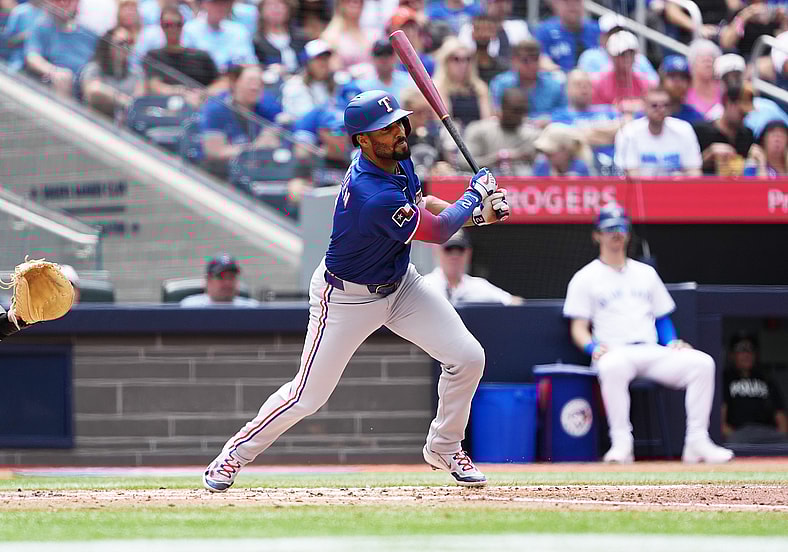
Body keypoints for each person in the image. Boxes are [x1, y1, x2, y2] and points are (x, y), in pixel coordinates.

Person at [203, 89, 510, 492]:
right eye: (385, 129)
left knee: (468, 358)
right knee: (308, 395)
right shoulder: (370, 192)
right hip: (346, 297)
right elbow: (434, 231)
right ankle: (233, 456)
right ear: (363, 141)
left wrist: (478, 215)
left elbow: (426, 206)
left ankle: (444, 446)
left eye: (398, 122)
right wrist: (474, 195)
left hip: (401, 286)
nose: (399, 131)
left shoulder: (397, 163)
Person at [563, 203, 734, 464]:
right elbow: (578, 328)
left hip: (650, 349)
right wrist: (592, 348)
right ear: (597, 234)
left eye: (620, 227)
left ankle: (697, 442)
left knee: (702, 363)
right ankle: (622, 443)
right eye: (609, 228)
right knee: (610, 366)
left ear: (628, 233)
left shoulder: (646, 273)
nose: (616, 234)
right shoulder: (585, 277)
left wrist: (672, 341)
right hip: (614, 350)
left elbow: (662, 318)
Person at [200, 64, 283, 177]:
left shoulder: (268, 108)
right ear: (234, 82)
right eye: (250, 81)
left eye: (260, 83)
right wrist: (255, 148)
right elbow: (214, 152)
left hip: (259, 171)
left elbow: (275, 143)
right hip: (222, 174)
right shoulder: (216, 109)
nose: (255, 87)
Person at [614, 86, 703, 177]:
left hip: (676, 187)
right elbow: (631, 175)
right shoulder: (628, 133)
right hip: (642, 188)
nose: (660, 109)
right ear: (644, 106)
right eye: (654, 105)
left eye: (665, 105)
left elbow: (694, 171)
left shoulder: (684, 130)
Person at [142, 6, 219, 107]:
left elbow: (222, 82)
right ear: (161, 26)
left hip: (200, 105)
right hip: (166, 107)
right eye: (168, 25)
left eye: (178, 24)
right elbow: (154, 85)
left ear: (183, 26)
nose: (173, 29)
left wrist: (203, 93)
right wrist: (179, 92)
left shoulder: (201, 56)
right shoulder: (154, 56)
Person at [423, 230, 523, 306]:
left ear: (468, 253)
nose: (454, 256)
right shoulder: (425, 285)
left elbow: (515, 302)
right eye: (448, 249)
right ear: (436, 251)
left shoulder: (479, 286)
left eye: (459, 250)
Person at [722, 331, 788, 444]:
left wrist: (782, 436)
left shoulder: (767, 379)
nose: (747, 354)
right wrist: (732, 435)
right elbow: (721, 420)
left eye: (751, 349)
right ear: (732, 355)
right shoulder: (726, 379)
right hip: (740, 433)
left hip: (767, 432)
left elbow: (780, 416)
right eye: (741, 350)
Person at [24, 0, 99, 98]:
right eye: (59, 1)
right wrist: (54, 71)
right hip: (54, 86)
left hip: (84, 86)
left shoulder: (89, 35)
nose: (63, 4)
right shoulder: (42, 26)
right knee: (64, 79)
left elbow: (100, 64)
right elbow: (32, 57)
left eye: (69, 1)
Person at [463, 87, 540, 176]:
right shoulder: (479, 130)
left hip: (523, 186)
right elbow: (463, 163)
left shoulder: (532, 135)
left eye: (524, 111)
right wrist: (496, 159)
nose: (520, 115)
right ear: (503, 108)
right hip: (486, 184)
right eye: (516, 110)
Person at [489, 39, 567, 122]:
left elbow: (565, 113)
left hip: (545, 131)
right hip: (511, 129)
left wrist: (549, 119)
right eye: (525, 60)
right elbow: (496, 112)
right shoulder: (501, 83)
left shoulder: (554, 85)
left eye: (535, 59)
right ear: (514, 61)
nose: (532, 65)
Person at [693, 79, 755, 175]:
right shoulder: (701, 131)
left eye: (746, 114)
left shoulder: (747, 134)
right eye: (741, 112)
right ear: (727, 103)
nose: (744, 117)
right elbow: (688, 169)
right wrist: (709, 155)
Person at [80, 26, 144, 118]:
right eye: (121, 43)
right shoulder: (94, 68)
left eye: (129, 43)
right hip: (96, 119)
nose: (126, 48)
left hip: (125, 122)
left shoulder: (136, 73)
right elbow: (93, 91)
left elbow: (138, 103)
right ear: (108, 45)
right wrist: (123, 101)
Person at [577, 12, 658, 85]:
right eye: (611, 33)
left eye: (619, 31)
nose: (616, 36)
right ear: (601, 37)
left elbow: (654, 82)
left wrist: (634, 74)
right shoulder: (590, 57)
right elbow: (585, 84)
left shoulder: (638, 58)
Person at [181, 0, 257, 73]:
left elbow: (251, 63)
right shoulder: (190, 29)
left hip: (233, 79)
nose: (221, 7)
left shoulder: (239, 30)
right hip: (201, 80)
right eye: (215, 4)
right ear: (205, 4)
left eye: (224, 4)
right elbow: (185, 62)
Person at [433, 36, 492, 129]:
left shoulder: (480, 88)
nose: (463, 64)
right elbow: (443, 124)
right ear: (445, 61)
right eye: (456, 59)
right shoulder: (438, 87)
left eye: (467, 59)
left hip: (477, 137)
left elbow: (487, 122)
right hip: (451, 138)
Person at [591, 31, 649, 114]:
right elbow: (594, 112)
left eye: (631, 53)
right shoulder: (598, 82)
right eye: (622, 54)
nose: (627, 58)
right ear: (611, 56)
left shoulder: (644, 82)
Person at [457, 0, 530, 66]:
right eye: (497, 2)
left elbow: (529, 54)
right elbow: (462, 54)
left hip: (512, 73)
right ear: (486, 3)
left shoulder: (519, 26)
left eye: (506, 2)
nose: (502, 6)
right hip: (478, 70)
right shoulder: (469, 28)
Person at [533, 0, 599, 72]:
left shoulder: (596, 30)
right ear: (556, 4)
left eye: (577, 1)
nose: (572, 5)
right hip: (559, 79)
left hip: (594, 78)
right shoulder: (544, 31)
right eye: (566, 1)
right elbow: (541, 59)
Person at [281, 39, 337, 119]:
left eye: (326, 59)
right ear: (307, 62)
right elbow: (301, 118)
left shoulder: (336, 82)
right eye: (319, 59)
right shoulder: (294, 86)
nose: (324, 63)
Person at [180, 254, 260, 307]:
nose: (227, 283)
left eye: (231, 277)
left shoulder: (251, 308)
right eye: (221, 277)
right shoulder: (190, 307)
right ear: (208, 281)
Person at [252, 0, 307, 75]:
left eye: (281, 4)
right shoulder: (255, 40)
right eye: (270, 4)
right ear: (261, 10)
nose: (276, 8)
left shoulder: (301, 37)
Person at [719, 0, 786, 60]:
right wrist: (744, 17)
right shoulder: (741, 13)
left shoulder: (774, 14)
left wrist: (783, 20)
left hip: (769, 57)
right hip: (745, 56)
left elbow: (783, 39)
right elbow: (726, 44)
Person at [320, 0, 375, 72]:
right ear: (340, 4)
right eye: (348, 0)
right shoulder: (330, 36)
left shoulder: (372, 33)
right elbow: (332, 70)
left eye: (360, 1)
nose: (355, 3)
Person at [386, 6, 434, 76]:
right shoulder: (385, 61)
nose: (410, 32)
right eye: (404, 27)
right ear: (392, 30)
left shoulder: (428, 62)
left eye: (412, 27)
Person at [659, 55, 704, 124]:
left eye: (683, 78)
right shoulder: (648, 114)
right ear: (662, 80)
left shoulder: (696, 117)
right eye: (672, 76)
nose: (678, 82)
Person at [1, 0, 43, 72]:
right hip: (15, 62)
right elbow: (8, 42)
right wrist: (24, 36)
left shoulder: (46, 17)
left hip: (36, 66)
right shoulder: (20, 11)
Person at [685, 39, 722, 119]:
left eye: (711, 58)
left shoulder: (723, 87)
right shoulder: (684, 89)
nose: (708, 62)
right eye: (703, 59)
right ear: (692, 64)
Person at [468, 14, 510, 84]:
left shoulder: (503, 68)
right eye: (478, 29)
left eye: (487, 30)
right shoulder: (465, 65)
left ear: (494, 34)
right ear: (472, 34)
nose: (483, 34)